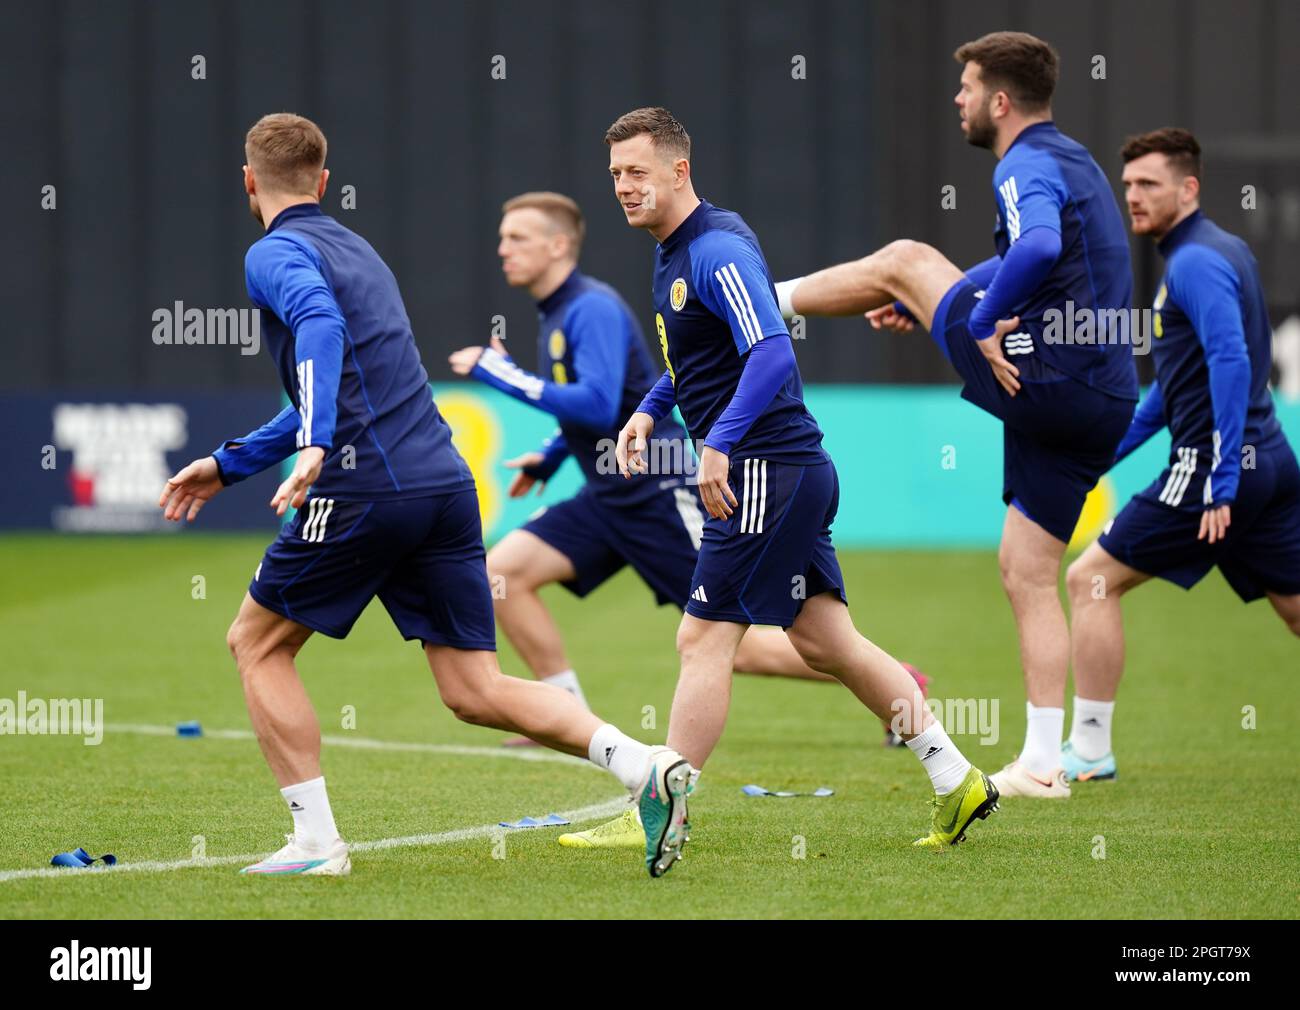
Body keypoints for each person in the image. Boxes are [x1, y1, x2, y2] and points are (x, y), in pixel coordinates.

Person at [158, 113, 682, 877]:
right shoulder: (360, 250)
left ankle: (315, 845)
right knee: (473, 687)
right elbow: (344, 382)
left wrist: (312, 443)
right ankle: (644, 766)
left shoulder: (273, 252)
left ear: (250, 182)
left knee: (258, 642)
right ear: (324, 183)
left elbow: (317, 326)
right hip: (440, 485)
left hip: (365, 484)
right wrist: (232, 461)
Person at [606, 106, 997, 877]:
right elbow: (705, 355)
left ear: (680, 171)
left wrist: (717, 443)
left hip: (763, 471)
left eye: (638, 172)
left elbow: (773, 354)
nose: (624, 186)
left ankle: (662, 802)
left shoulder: (714, 251)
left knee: (703, 638)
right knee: (828, 642)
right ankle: (957, 778)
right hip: (789, 469)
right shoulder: (680, 250)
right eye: (616, 172)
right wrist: (652, 409)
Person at [774, 32, 1138, 799]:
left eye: (967, 88)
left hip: (1045, 372)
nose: (958, 100)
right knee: (1027, 570)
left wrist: (978, 319)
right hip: (1101, 396)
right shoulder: (1074, 160)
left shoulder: (1023, 162)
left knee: (905, 258)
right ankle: (1045, 764)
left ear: (1000, 101)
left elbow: (1036, 245)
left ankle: (752, 304)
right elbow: (1038, 255)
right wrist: (964, 296)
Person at [1062, 128, 1300, 781]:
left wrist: (1222, 478)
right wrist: (1101, 459)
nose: (1133, 197)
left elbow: (1231, 357)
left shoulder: (1193, 263)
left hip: (1216, 472)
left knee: (1090, 580)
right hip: (1272, 462)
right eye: (1130, 184)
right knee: (1296, 610)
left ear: (1188, 188)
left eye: (1149, 185)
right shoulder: (1226, 250)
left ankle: (1088, 750)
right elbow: (1175, 390)